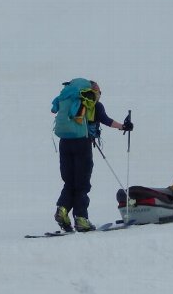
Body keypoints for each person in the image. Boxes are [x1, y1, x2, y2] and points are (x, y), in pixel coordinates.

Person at [50, 79, 132, 232]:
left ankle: (62, 210)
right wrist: (124, 126)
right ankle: (81, 219)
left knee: (69, 182)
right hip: (82, 144)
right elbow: (106, 120)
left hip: (64, 143)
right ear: (93, 91)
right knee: (82, 184)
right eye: (99, 92)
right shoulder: (93, 104)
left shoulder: (67, 101)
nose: (99, 95)